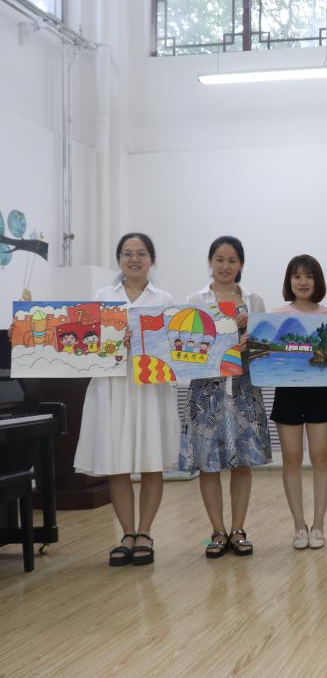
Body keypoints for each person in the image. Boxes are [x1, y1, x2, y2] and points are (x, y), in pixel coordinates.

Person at [74, 233, 178, 566]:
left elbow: (174, 348)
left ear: (152, 260)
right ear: (118, 259)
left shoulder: (164, 298)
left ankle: (145, 532)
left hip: (150, 387)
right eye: (127, 253)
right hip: (112, 387)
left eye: (141, 253)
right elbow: (87, 344)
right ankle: (127, 533)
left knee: (151, 461)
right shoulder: (102, 297)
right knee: (116, 463)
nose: (134, 259)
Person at [180, 236, 272, 557]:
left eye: (232, 260)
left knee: (243, 462)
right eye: (219, 259)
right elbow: (186, 349)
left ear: (241, 265)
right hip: (206, 392)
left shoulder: (254, 301)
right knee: (208, 464)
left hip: (244, 389)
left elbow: (264, 351)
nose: (225, 266)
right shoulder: (194, 301)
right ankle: (218, 531)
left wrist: (250, 338)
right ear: (210, 262)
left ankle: (238, 529)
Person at [270, 255, 327, 550]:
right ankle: (299, 526)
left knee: (321, 457)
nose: (303, 282)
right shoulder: (277, 315)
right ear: (289, 281)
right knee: (292, 458)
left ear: (317, 280)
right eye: (297, 276)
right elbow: (270, 358)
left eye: (309, 276)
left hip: (320, 393)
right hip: (287, 394)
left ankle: (318, 525)